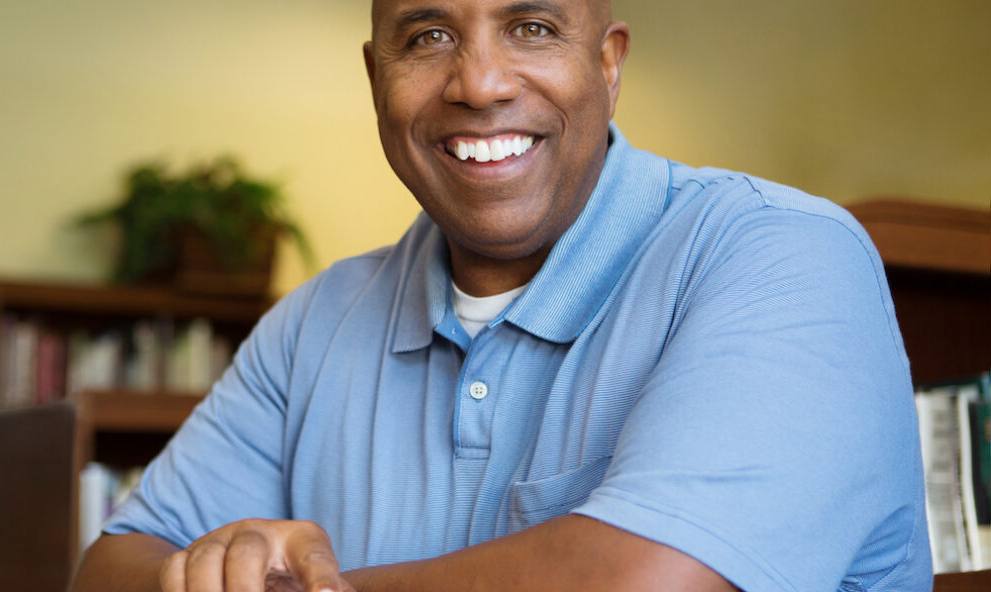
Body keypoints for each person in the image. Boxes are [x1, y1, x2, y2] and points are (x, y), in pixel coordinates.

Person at [71, 0, 931, 590]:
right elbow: (111, 569)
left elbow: (652, 582)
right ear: (377, 78)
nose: (479, 83)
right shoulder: (314, 322)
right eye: (427, 36)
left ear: (608, 61)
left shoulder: (782, 252)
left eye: (530, 26)